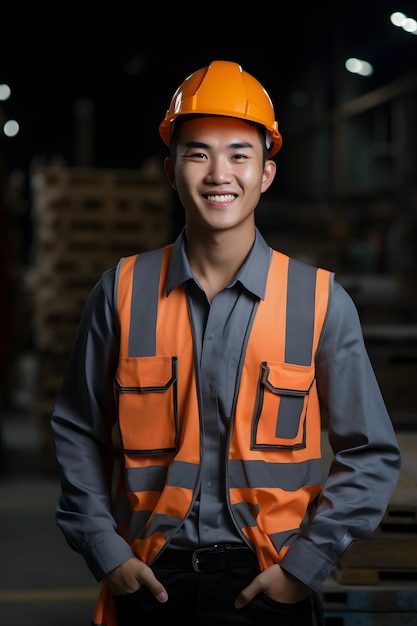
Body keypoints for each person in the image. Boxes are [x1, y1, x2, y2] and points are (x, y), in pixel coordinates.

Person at [50, 60, 402, 626]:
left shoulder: (318, 302)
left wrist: (303, 568)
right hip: (148, 576)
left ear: (266, 173)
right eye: (198, 153)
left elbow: (371, 454)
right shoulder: (121, 291)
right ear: (171, 172)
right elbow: (76, 430)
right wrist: (105, 551)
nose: (219, 174)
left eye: (240, 154)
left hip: (266, 579)